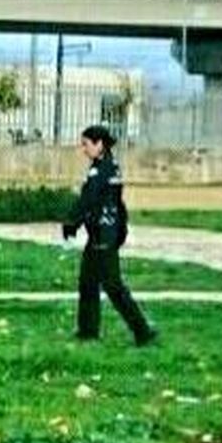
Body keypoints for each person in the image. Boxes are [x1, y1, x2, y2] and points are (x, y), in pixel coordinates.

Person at [62, 124, 157, 346]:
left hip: (103, 235)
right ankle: (88, 331)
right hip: (103, 233)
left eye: (86, 144)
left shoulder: (100, 170)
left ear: (99, 144)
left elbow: (89, 200)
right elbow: (117, 203)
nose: (84, 149)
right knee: (87, 282)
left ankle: (142, 331)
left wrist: (72, 222)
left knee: (113, 286)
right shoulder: (110, 166)